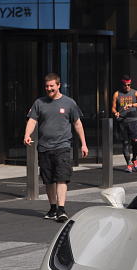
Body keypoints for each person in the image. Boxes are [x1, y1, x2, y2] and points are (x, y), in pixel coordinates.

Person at [23, 73, 88, 223]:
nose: (49, 89)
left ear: (59, 85)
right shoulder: (39, 103)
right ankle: (53, 208)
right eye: (47, 86)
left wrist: (83, 144)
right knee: (49, 180)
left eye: (52, 86)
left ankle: (61, 209)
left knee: (61, 178)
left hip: (63, 146)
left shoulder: (69, 103)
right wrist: (27, 134)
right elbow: (32, 120)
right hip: (44, 147)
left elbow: (77, 124)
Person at [112, 75, 137, 172]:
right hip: (122, 121)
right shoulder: (117, 94)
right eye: (125, 85)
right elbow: (113, 108)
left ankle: (134, 158)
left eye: (129, 85)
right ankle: (128, 164)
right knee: (125, 143)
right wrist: (115, 112)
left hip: (133, 121)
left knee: (136, 141)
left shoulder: (135, 93)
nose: (127, 87)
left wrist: (132, 104)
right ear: (122, 84)